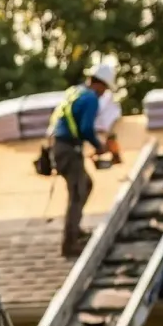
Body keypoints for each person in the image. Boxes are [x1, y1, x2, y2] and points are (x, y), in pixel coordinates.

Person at [48, 61, 116, 258]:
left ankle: (75, 230)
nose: (104, 93)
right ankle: (69, 244)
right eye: (105, 88)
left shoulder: (75, 91)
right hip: (68, 149)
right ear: (99, 83)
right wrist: (99, 146)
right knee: (77, 194)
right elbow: (86, 128)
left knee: (85, 184)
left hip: (60, 146)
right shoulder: (91, 99)